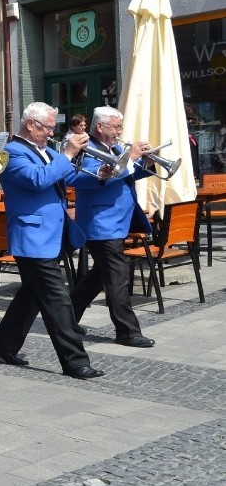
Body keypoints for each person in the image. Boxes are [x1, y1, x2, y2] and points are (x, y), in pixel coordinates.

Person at [0, 102, 105, 379]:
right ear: (31, 125)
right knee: (58, 299)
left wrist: (100, 173)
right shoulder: (11, 153)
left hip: (51, 235)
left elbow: (67, 174)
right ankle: (75, 362)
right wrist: (68, 152)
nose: (52, 133)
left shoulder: (46, 150)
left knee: (30, 296)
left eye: (53, 127)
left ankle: (2, 347)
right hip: (32, 237)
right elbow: (38, 179)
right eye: (48, 127)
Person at [69, 106, 156, 348]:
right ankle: (127, 331)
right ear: (100, 127)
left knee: (98, 277)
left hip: (117, 222)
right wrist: (131, 157)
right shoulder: (87, 150)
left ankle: (66, 318)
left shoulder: (115, 148)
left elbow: (127, 174)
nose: (120, 131)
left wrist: (146, 162)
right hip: (101, 223)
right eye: (116, 126)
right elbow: (83, 178)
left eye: (120, 127)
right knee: (118, 278)